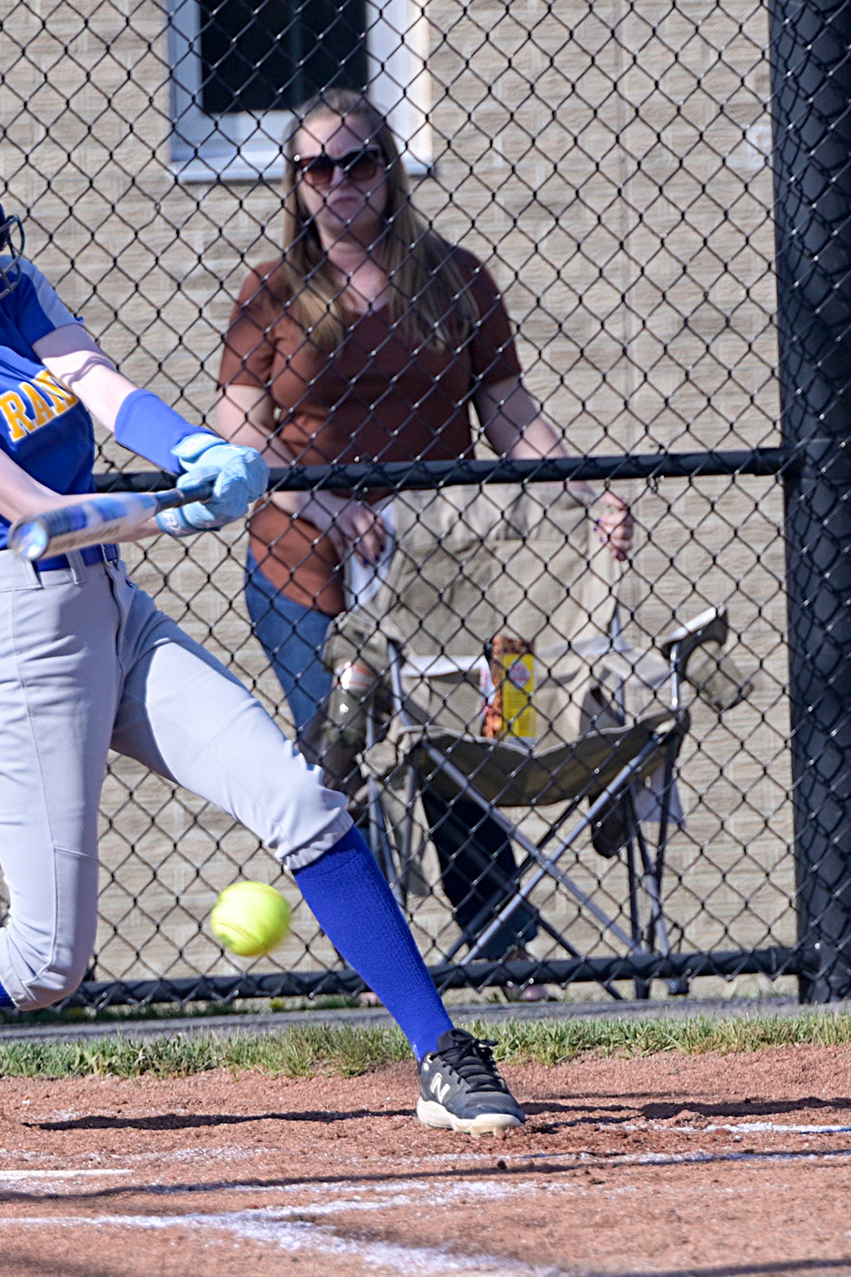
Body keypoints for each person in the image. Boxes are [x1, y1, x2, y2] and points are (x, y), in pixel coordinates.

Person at [0, 110, 526, 1143]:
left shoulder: (11, 288)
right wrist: (173, 509)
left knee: (301, 800)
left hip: (113, 610)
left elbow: (97, 383)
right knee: (44, 963)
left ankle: (443, 1053)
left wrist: (193, 449)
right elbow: (32, 512)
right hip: (19, 632)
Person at [215, 88, 635, 976]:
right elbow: (239, 434)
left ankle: (501, 950)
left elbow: (508, 411)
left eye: (358, 161)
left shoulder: (454, 277)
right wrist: (324, 504)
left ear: (389, 171)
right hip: (306, 563)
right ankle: (385, 966)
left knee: (455, 752)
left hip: (442, 567)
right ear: (296, 184)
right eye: (316, 167)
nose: (339, 181)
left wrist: (584, 495)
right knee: (345, 758)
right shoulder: (271, 292)